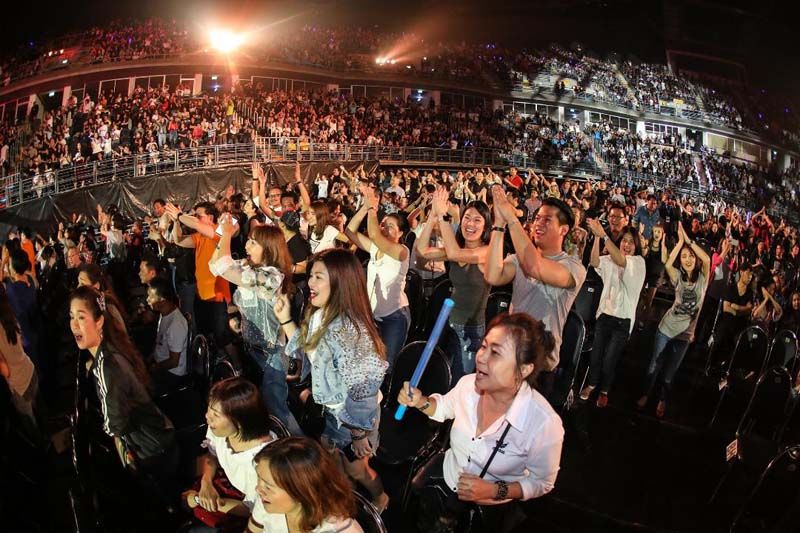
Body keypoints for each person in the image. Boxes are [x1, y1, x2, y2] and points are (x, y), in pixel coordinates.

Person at [398, 313, 564, 533]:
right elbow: (443, 408)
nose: (481, 357)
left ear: (524, 369)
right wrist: (420, 401)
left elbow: (542, 482)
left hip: (487, 511)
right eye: (484, 346)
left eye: (495, 352)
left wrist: (494, 490)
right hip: (443, 485)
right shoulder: (468, 386)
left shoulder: (543, 424)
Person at [273, 249, 389, 512]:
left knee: (357, 469)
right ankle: (343, 506)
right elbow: (306, 347)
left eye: (318, 277)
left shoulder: (350, 330)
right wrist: (285, 319)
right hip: (334, 410)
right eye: (311, 276)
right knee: (334, 462)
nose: (310, 283)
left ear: (340, 282)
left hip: (354, 415)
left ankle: (381, 497)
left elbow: (364, 389)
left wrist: (358, 432)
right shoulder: (320, 314)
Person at [69, 286, 177, 499]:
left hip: (154, 452)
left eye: (81, 317)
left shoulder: (107, 366)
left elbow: (114, 425)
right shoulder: (110, 349)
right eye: (71, 316)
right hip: (160, 437)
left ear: (99, 322)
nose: (74, 324)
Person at [485, 186, 586, 396]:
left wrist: (511, 218)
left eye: (547, 220)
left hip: (539, 365)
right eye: (537, 218)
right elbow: (493, 275)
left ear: (563, 230)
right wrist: (499, 224)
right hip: (509, 353)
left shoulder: (573, 267)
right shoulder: (519, 258)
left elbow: (535, 266)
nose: (538, 224)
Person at [210, 215, 302, 435]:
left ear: (269, 249)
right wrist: (222, 234)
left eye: (253, 242)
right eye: (248, 240)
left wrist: (227, 233)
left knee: (278, 412)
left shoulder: (271, 276)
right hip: (252, 352)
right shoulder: (250, 267)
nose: (246, 246)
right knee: (264, 410)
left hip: (272, 356)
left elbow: (223, 266)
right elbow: (214, 265)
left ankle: (302, 448)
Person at [183, 377, 278, 532]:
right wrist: (206, 483)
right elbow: (212, 454)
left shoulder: (262, 463)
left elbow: (253, 509)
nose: (207, 416)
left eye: (216, 414)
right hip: (226, 488)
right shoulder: (221, 431)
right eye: (209, 409)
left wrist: (199, 499)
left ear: (240, 422)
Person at [416, 188, 491, 381]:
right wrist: (433, 215)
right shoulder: (455, 248)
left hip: (470, 331)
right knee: (440, 377)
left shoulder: (487, 251)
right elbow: (422, 250)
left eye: (477, 220)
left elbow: (456, 255)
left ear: (485, 227)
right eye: (467, 218)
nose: (470, 224)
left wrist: (442, 216)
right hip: (447, 322)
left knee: (461, 382)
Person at [638, 222, 710, 418]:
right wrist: (679, 243)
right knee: (655, 365)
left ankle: (662, 399)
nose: (687, 259)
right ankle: (645, 394)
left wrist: (689, 241)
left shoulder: (703, 278)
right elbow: (668, 264)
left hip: (685, 334)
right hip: (666, 328)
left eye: (691, 256)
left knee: (670, 371)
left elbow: (706, 259)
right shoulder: (677, 276)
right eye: (684, 257)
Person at [580, 220, 646, 407]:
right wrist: (596, 239)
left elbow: (621, 261)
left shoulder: (638, 263)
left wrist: (604, 235)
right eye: (624, 240)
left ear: (636, 246)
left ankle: (605, 390)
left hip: (623, 321)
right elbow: (594, 262)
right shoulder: (611, 259)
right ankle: (592, 384)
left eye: (631, 242)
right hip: (605, 315)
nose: (627, 244)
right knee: (596, 355)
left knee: (610, 359)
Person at [345, 183, 410, 372]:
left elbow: (373, 233)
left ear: (400, 233)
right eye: (384, 224)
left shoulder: (401, 251)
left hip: (394, 317)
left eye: (390, 226)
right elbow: (350, 232)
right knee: (369, 363)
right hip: (372, 315)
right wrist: (365, 207)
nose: (384, 228)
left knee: (386, 367)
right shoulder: (375, 248)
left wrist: (372, 207)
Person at [254, 437, 363, 533]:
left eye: (268, 486)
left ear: (302, 490)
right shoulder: (268, 501)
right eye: (259, 477)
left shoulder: (339, 530)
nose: (258, 489)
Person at [165, 201, 232, 349]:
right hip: (200, 294)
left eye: (198, 215)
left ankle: (231, 362)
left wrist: (180, 215)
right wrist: (176, 221)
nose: (195, 218)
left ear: (210, 217)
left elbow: (195, 224)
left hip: (217, 294)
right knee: (205, 335)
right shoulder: (199, 236)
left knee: (222, 337)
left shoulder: (219, 231)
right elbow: (178, 240)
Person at [0, 285, 41, 443]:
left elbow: (5, 371)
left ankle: (46, 451)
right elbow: (22, 342)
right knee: (41, 414)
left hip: (19, 386)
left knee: (33, 428)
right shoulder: (9, 315)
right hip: (29, 370)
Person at [146, 278, 189, 394]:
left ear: (162, 300)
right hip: (160, 364)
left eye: (150, 297)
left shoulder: (176, 324)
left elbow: (174, 362)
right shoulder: (164, 314)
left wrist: (153, 368)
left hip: (172, 374)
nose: (147, 300)